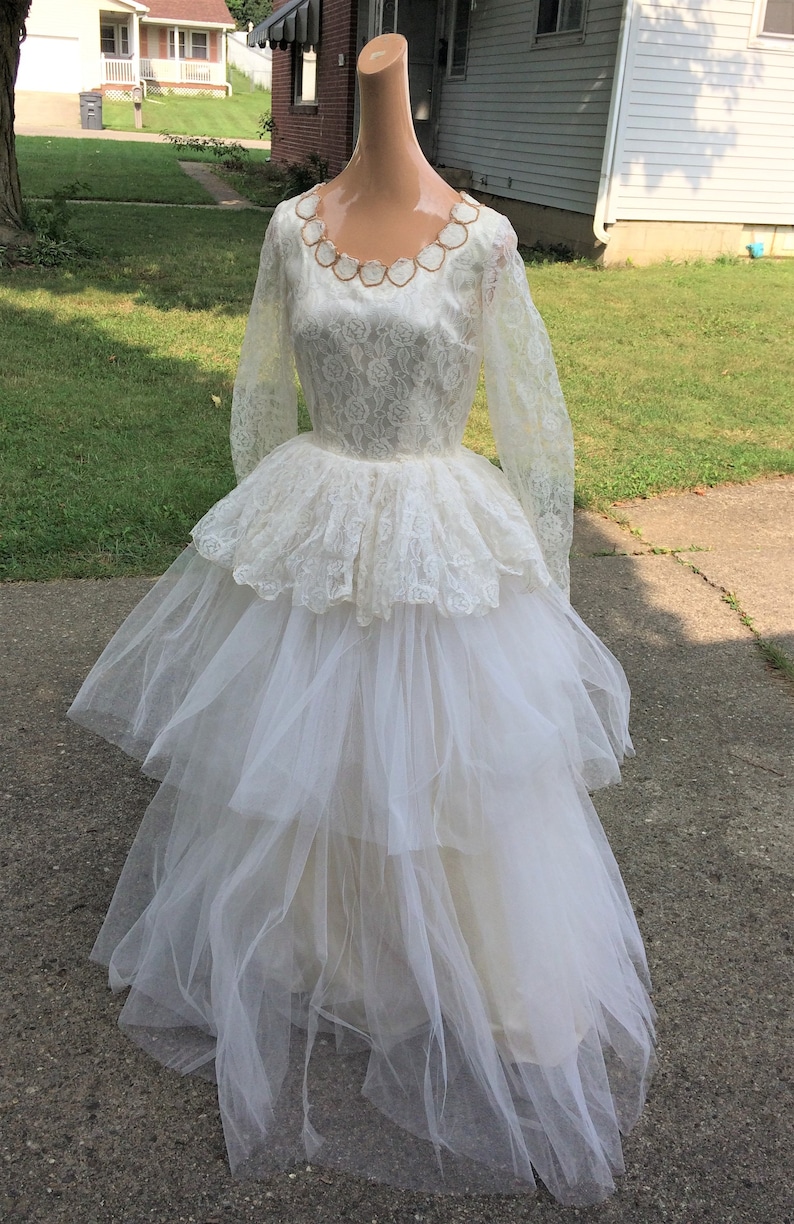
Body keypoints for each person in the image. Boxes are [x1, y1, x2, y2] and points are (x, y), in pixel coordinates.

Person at [68, 33, 655, 1207]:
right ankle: (322, 943)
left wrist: (538, 585)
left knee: (445, 767)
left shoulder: (484, 241)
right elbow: (260, 394)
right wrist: (262, 542)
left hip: (441, 523)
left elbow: (536, 424)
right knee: (307, 748)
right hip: (316, 510)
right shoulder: (289, 231)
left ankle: (466, 969)